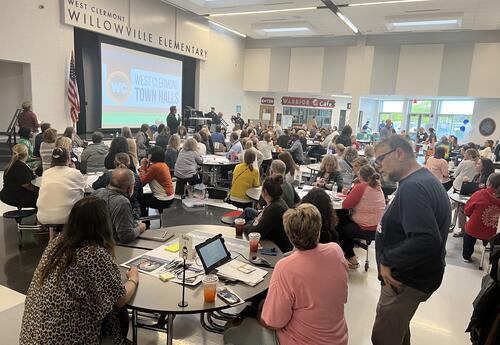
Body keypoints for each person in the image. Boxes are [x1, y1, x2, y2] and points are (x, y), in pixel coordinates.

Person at [20, 197, 139, 345]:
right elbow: (120, 299)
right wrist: (133, 278)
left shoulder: (56, 243)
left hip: (34, 335)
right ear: (104, 224)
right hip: (68, 338)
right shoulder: (93, 254)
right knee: (115, 312)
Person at [224, 204, 348, 345]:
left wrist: (258, 313)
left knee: (232, 331)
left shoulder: (286, 268)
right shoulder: (336, 251)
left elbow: (273, 322)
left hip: (302, 341)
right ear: (318, 230)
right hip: (338, 338)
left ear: (290, 236)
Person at [372, 135, 451, 345]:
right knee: (398, 331)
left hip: (406, 281)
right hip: (415, 276)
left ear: (399, 153)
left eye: (380, 159)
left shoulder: (413, 188)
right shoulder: (422, 180)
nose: (378, 166)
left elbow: (426, 239)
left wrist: (388, 260)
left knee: (383, 338)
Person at [338, 165, 385, 269]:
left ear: (360, 176)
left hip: (366, 227)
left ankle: (352, 258)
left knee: (339, 227)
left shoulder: (361, 187)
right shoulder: (377, 187)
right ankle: (350, 255)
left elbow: (345, 205)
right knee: (346, 223)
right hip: (379, 228)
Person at [92, 169, 146, 243]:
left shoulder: (97, 192)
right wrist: (140, 228)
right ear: (129, 188)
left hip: (95, 241)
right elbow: (126, 237)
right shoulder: (122, 202)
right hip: (113, 245)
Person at [37, 147, 85, 226]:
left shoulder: (46, 173)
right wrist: (74, 169)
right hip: (69, 217)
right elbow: (82, 189)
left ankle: (53, 235)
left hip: (43, 216)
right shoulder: (75, 173)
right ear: (68, 158)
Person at [243, 175, 292, 253]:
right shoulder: (277, 201)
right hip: (274, 237)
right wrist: (253, 222)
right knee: (248, 211)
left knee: (243, 224)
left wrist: (246, 224)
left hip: (276, 249)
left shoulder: (275, 209)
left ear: (264, 191)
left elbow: (253, 233)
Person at [462, 173, 500, 262]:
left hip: (475, 228)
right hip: (495, 233)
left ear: (488, 183)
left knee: (469, 232)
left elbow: (467, 211)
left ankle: (466, 256)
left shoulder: (480, 194)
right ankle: (492, 260)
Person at [93, 153, 143, 220]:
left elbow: (95, 186)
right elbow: (140, 195)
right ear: (129, 163)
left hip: (111, 209)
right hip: (133, 209)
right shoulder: (135, 176)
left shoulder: (108, 175)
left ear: (114, 162)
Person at [139, 146, 174, 222]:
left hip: (162, 200)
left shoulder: (155, 167)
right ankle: (147, 222)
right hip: (169, 198)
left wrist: (142, 165)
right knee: (144, 197)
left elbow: (142, 182)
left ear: (152, 155)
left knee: (139, 199)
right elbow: (146, 177)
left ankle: (145, 223)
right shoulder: (163, 165)